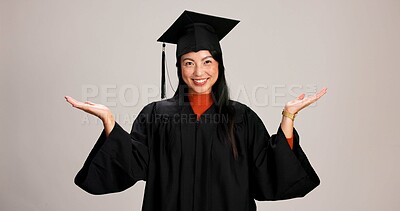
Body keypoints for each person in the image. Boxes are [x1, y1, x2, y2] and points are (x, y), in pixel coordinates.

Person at [65, 10, 327, 211]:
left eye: (207, 61)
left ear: (219, 66)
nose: (199, 72)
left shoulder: (242, 118)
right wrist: (109, 121)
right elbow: (133, 164)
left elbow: (268, 172)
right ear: (179, 67)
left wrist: (288, 118)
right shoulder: (155, 116)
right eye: (189, 62)